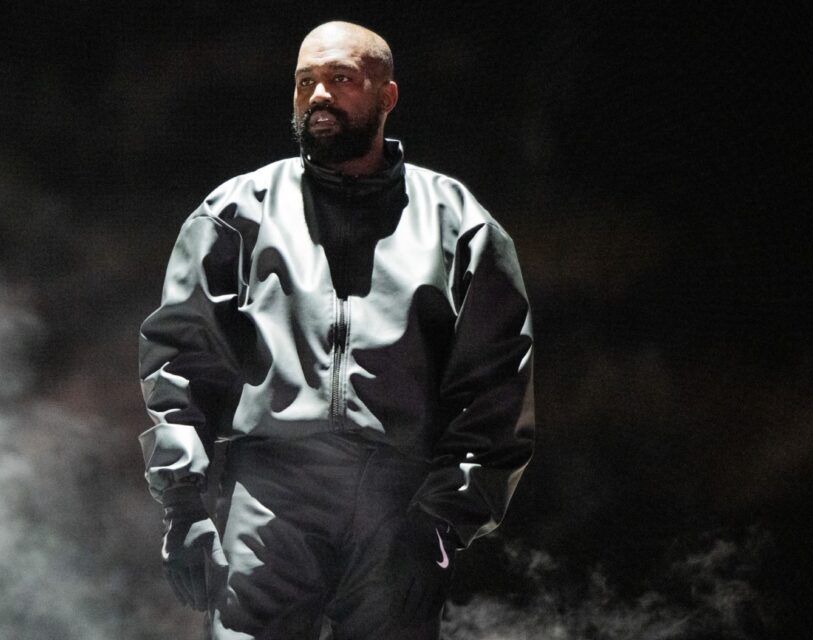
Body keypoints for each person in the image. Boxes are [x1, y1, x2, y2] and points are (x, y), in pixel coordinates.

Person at [138, 20, 535, 640]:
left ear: (387, 95)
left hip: (398, 507)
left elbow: (496, 388)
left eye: (341, 78)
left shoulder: (458, 223)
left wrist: (441, 522)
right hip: (268, 498)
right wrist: (183, 505)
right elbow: (180, 363)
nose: (319, 95)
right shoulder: (236, 213)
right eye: (305, 82)